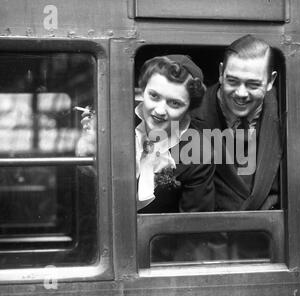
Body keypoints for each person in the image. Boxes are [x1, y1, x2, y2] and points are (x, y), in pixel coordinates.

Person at [76, 54, 215, 214]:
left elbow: (192, 224)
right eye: (154, 96)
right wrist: (87, 148)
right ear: (143, 91)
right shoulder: (111, 121)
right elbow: (85, 202)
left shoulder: (199, 151)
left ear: (190, 107)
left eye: (175, 103)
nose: (160, 111)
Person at [192, 34, 282, 211]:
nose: (241, 93)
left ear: (271, 81)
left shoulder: (290, 112)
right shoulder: (189, 114)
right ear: (220, 73)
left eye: (253, 85)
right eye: (232, 81)